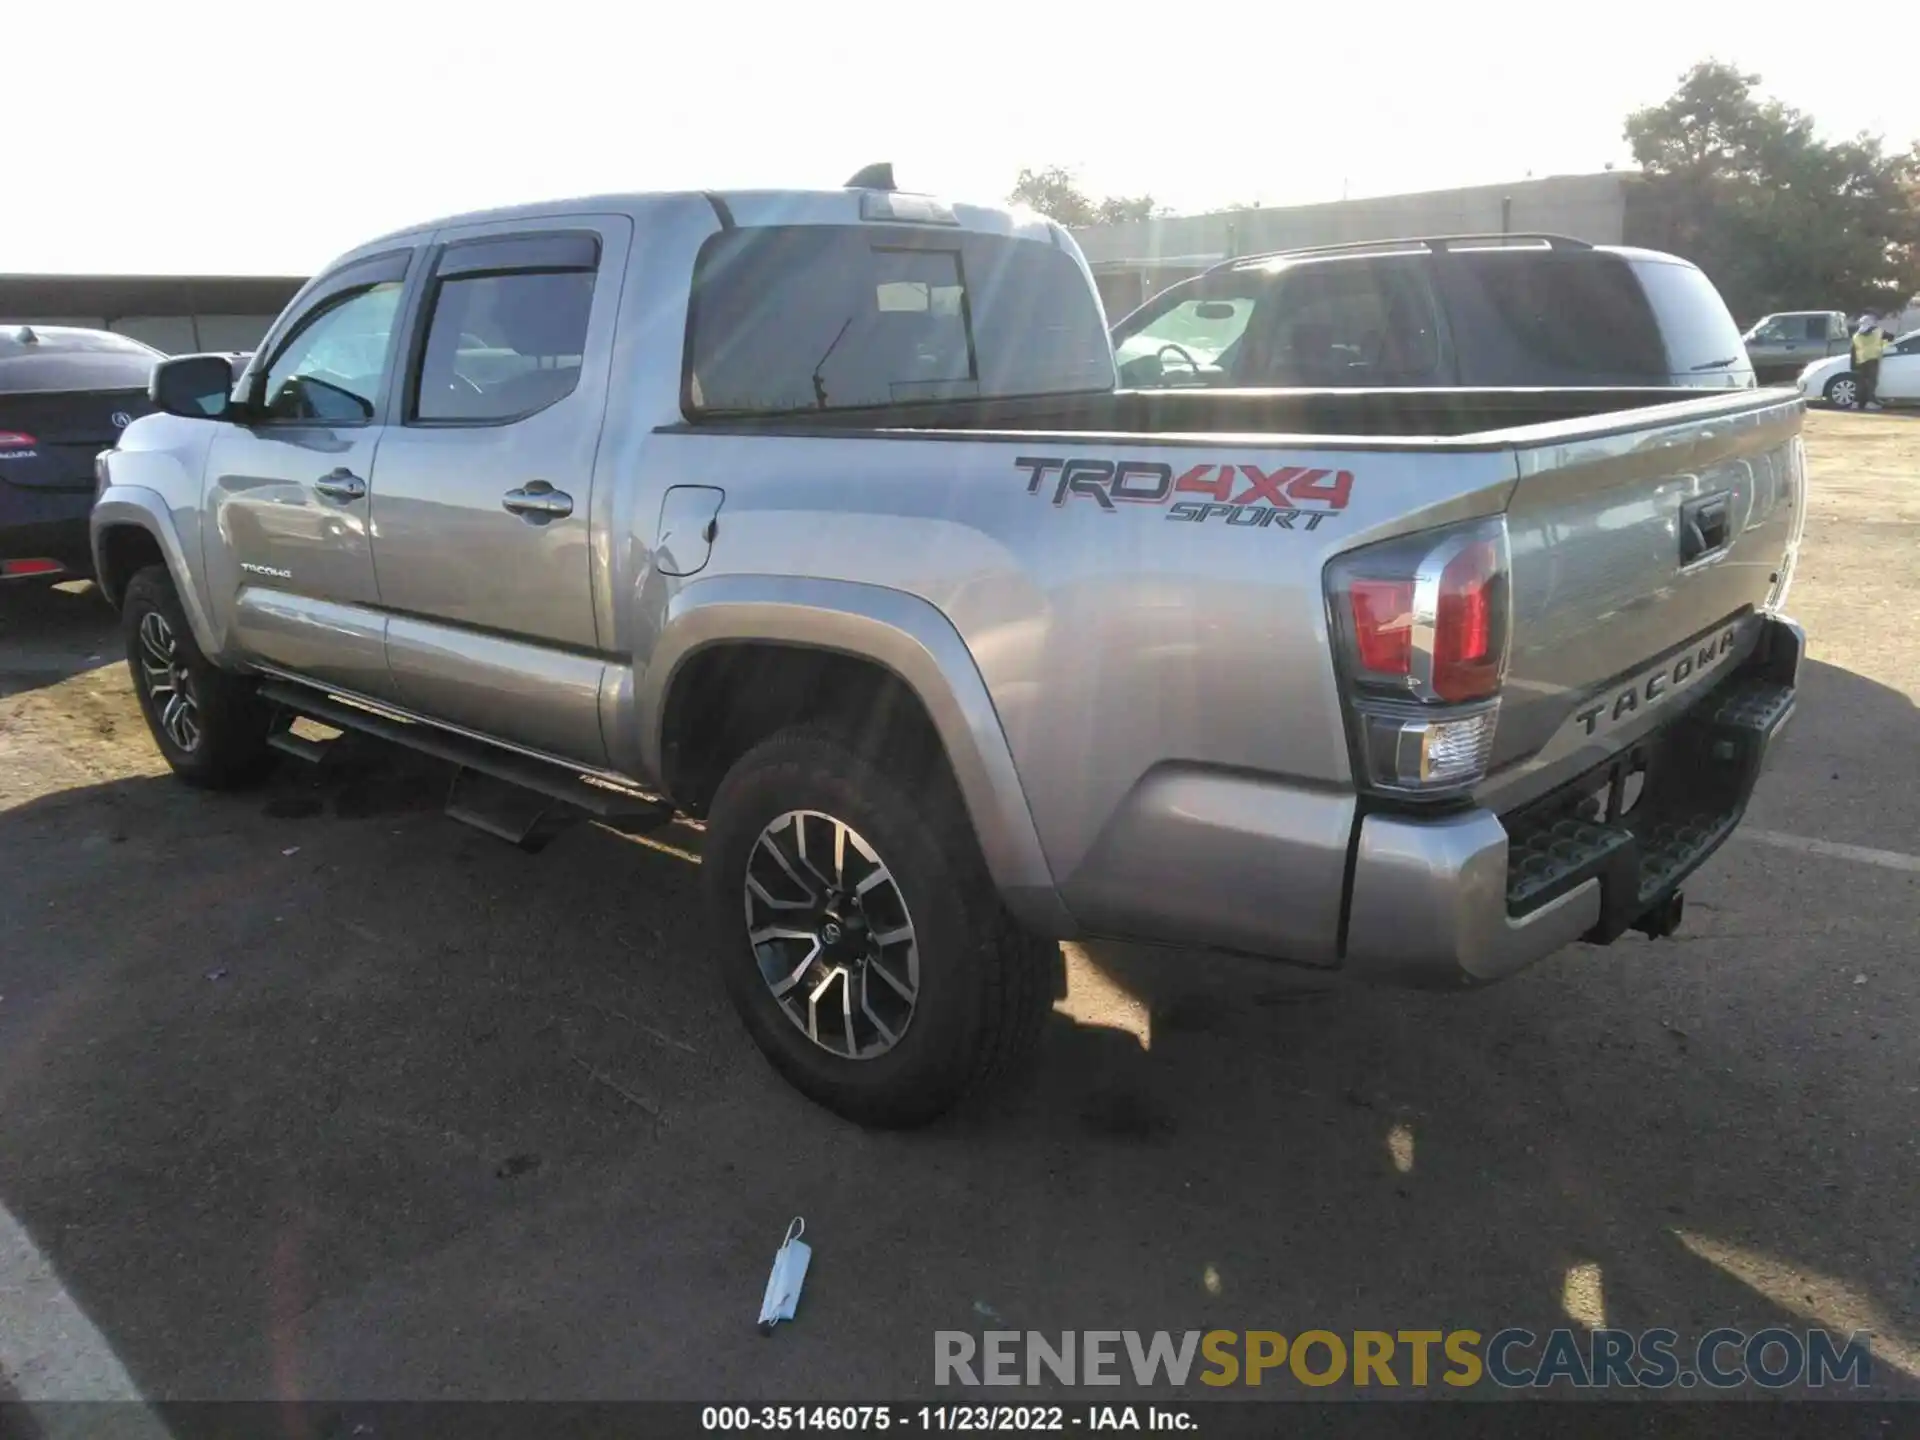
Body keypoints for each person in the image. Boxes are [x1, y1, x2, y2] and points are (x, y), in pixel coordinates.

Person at [1852, 313, 1890, 411]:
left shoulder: (1856, 335)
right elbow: (1891, 337)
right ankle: (1871, 403)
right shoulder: (1878, 332)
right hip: (1873, 359)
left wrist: (1853, 365)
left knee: (1861, 383)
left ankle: (1857, 403)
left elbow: (1853, 350)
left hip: (1860, 361)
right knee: (1872, 382)